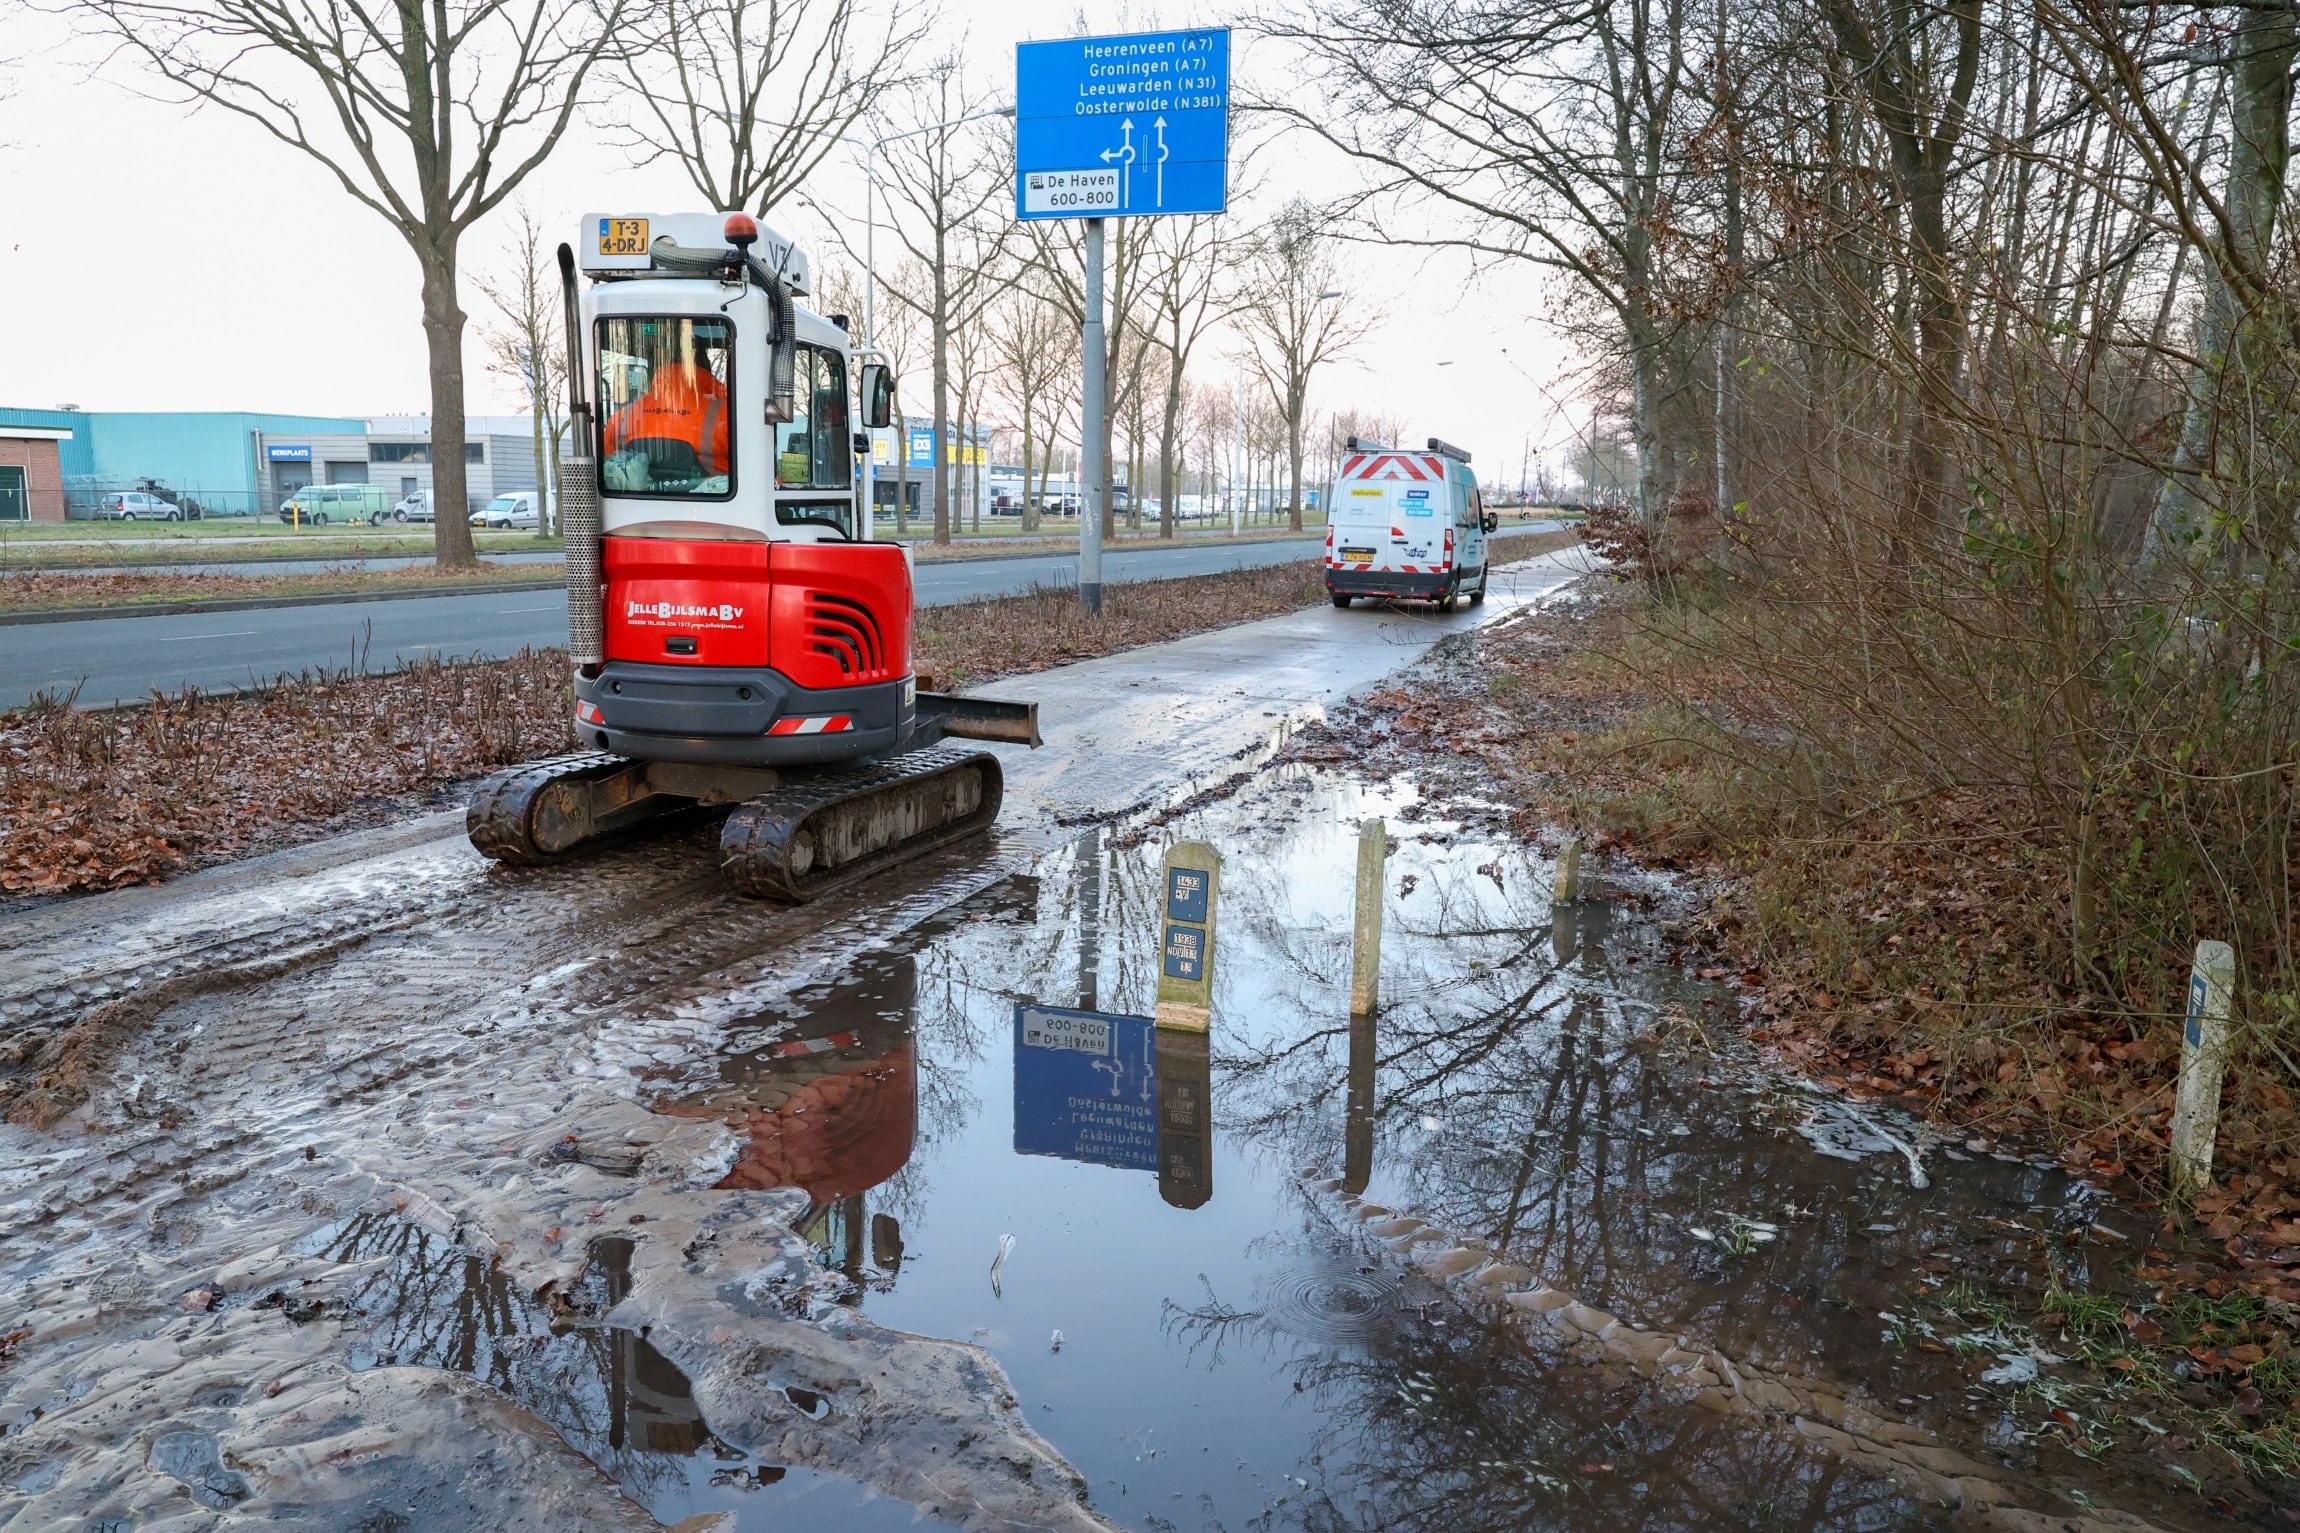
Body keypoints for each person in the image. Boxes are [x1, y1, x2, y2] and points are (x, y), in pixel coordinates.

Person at [603, 346, 730, 486]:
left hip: (638, 503)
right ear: (706, 367)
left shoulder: (623, 417)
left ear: (660, 365)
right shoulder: (728, 414)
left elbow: (609, 469)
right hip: (712, 504)